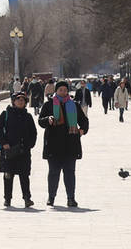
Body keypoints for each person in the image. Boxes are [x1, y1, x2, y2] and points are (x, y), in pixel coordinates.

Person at [38, 80, 89, 208]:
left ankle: (71, 198)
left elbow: (84, 121)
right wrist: (48, 120)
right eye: (60, 90)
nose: (63, 92)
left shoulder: (74, 105)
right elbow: (40, 121)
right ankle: (51, 197)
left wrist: (82, 130)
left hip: (70, 144)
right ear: (56, 91)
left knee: (70, 173)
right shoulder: (49, 105)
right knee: (53, 172)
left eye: (65, 90)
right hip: (53, 144)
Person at [0, 91, 38, 207]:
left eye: (23, 100)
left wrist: (29, 145)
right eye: (18, 99)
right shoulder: (6, 114)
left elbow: (33, 133)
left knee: (24, 176)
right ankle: (7, 198)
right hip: (8, 150)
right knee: (8, 175)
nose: (20, 101)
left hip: (23, 151)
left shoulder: (28, 116)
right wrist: (4, 143)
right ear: (13, 101)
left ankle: (27, 198)